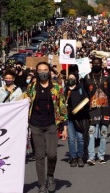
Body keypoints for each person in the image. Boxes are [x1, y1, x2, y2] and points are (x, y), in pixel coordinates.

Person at [25, 62, 68, 193]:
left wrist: (65, 127)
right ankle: (42, 183)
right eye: (40, 70)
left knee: (52, 154)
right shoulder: (31, 87)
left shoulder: (56, 87)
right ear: (36, 72)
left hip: (51, 124)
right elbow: (23, 101)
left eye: (45, 70)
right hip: (36, 124)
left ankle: (50, 176)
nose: (43, 72)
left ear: (49, 72)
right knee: (39, 155)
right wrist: (27, 101)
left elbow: (62, 106)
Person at [84, 57, 110, 165]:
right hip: (92, 110)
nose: (96, 65)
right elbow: (84, 94)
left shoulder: (107, 77)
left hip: (105, 109)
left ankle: (101, 155)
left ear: (101, 64)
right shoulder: (87, 77)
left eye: (98, 63)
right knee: (91, 133)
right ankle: (91, 156)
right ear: (91, 64)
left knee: (104, 133)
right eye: (94, 63)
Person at [65, 72, 90, 168]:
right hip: (70, 118)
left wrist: (81, 108)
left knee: (80, 138)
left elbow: (86, 100)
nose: (71, 79)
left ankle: (80, 156)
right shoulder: (66, 89)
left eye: (72, 77)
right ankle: (73, 157)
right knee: (71, 139)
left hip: (80, 118)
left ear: (76, 79)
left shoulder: (80, 89)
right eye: (69, 77)